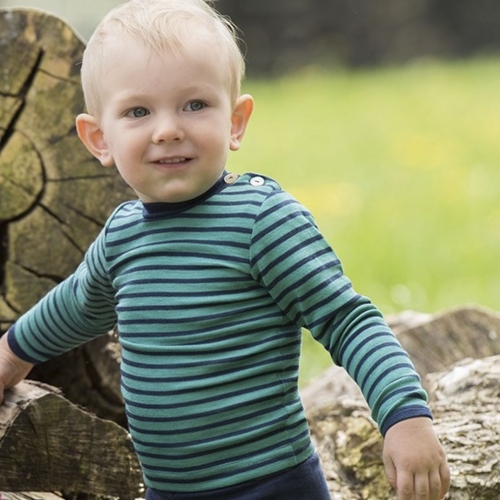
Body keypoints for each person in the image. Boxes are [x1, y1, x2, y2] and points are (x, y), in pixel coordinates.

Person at [0, 0, 450, 498]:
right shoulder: (122, 236)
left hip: (271, 485)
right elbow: (74, 307)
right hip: (169, 490)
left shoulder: (261, 220)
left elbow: (348, 321)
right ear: (98, 139)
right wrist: (11, 354)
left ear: (235, 121)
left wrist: (405, 417)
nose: (168, 128)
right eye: (138, 111)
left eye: (194, 105)